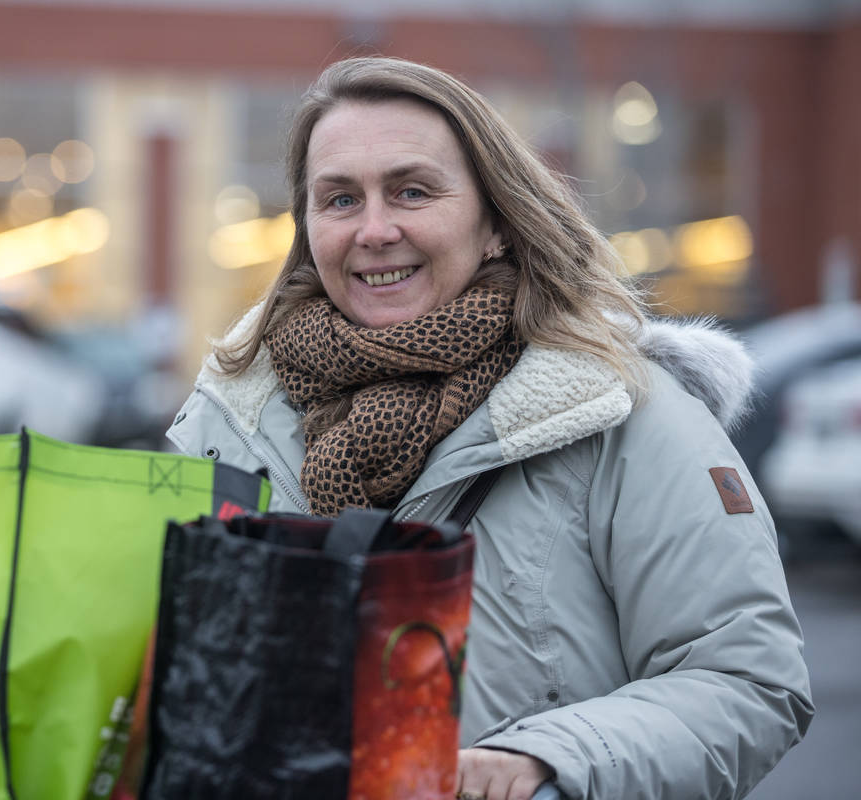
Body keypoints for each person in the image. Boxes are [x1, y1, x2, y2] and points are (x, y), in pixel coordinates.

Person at [165, 56, 812, 800]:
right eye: (340, 199)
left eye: (412, 191)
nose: (375, 229)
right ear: (309, 228)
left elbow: (748, 679)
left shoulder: (620, 409)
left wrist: (547, 761)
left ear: (496, 223)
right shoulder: (231, 417)